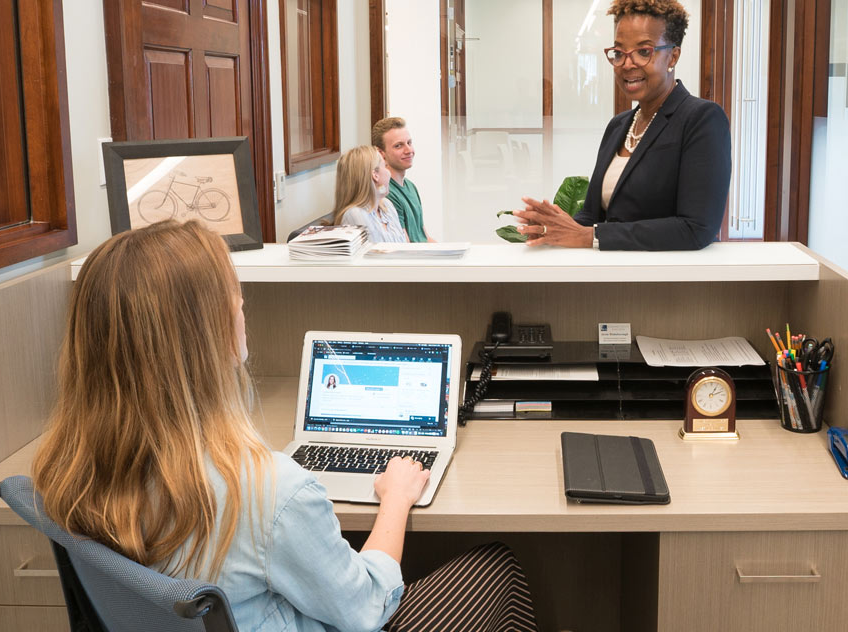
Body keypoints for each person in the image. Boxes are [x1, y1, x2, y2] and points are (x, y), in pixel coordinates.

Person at [33, 220, 536, 632]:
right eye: (234, 296)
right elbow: (365, 608)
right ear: (207, 336)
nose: (243, 305)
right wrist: (398, 498)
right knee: (501, 568)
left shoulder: (63, 469)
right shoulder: (270, 491)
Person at [513, 0, 730, 251]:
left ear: (673, 56)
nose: (627, 64)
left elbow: (696, 228)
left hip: (669, 283)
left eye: (643, 52)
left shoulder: (701, 119)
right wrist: (556, 228)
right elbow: (594, 216)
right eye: (619, 52)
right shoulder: (619, 125)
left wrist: (591, 236)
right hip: (612, 280)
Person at [372, 116, 434, 242]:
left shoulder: (410, 186)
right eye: (399, 146)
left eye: (409, 143)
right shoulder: (386, 194)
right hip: (414, 259)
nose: (409, 150)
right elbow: (405, 247)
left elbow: (425, 237)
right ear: (381, 153)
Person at [334, 144, 408, 244]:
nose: (389, 173)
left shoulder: (387, 205)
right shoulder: (355, 214)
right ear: (375, 175)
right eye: (385, 166)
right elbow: (378, 257)